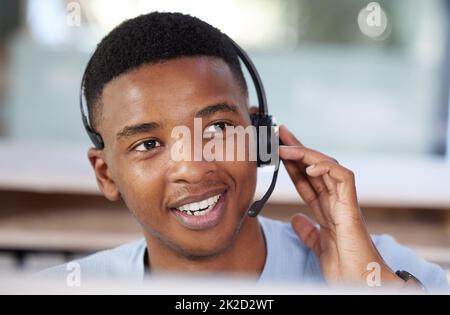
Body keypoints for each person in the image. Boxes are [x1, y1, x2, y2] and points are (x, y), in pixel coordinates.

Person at [41, 12, 448, 291]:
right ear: (106, 174)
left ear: (258, 137)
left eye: (217, 128)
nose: (192, 167)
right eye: (148, 144)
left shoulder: (380, 266)